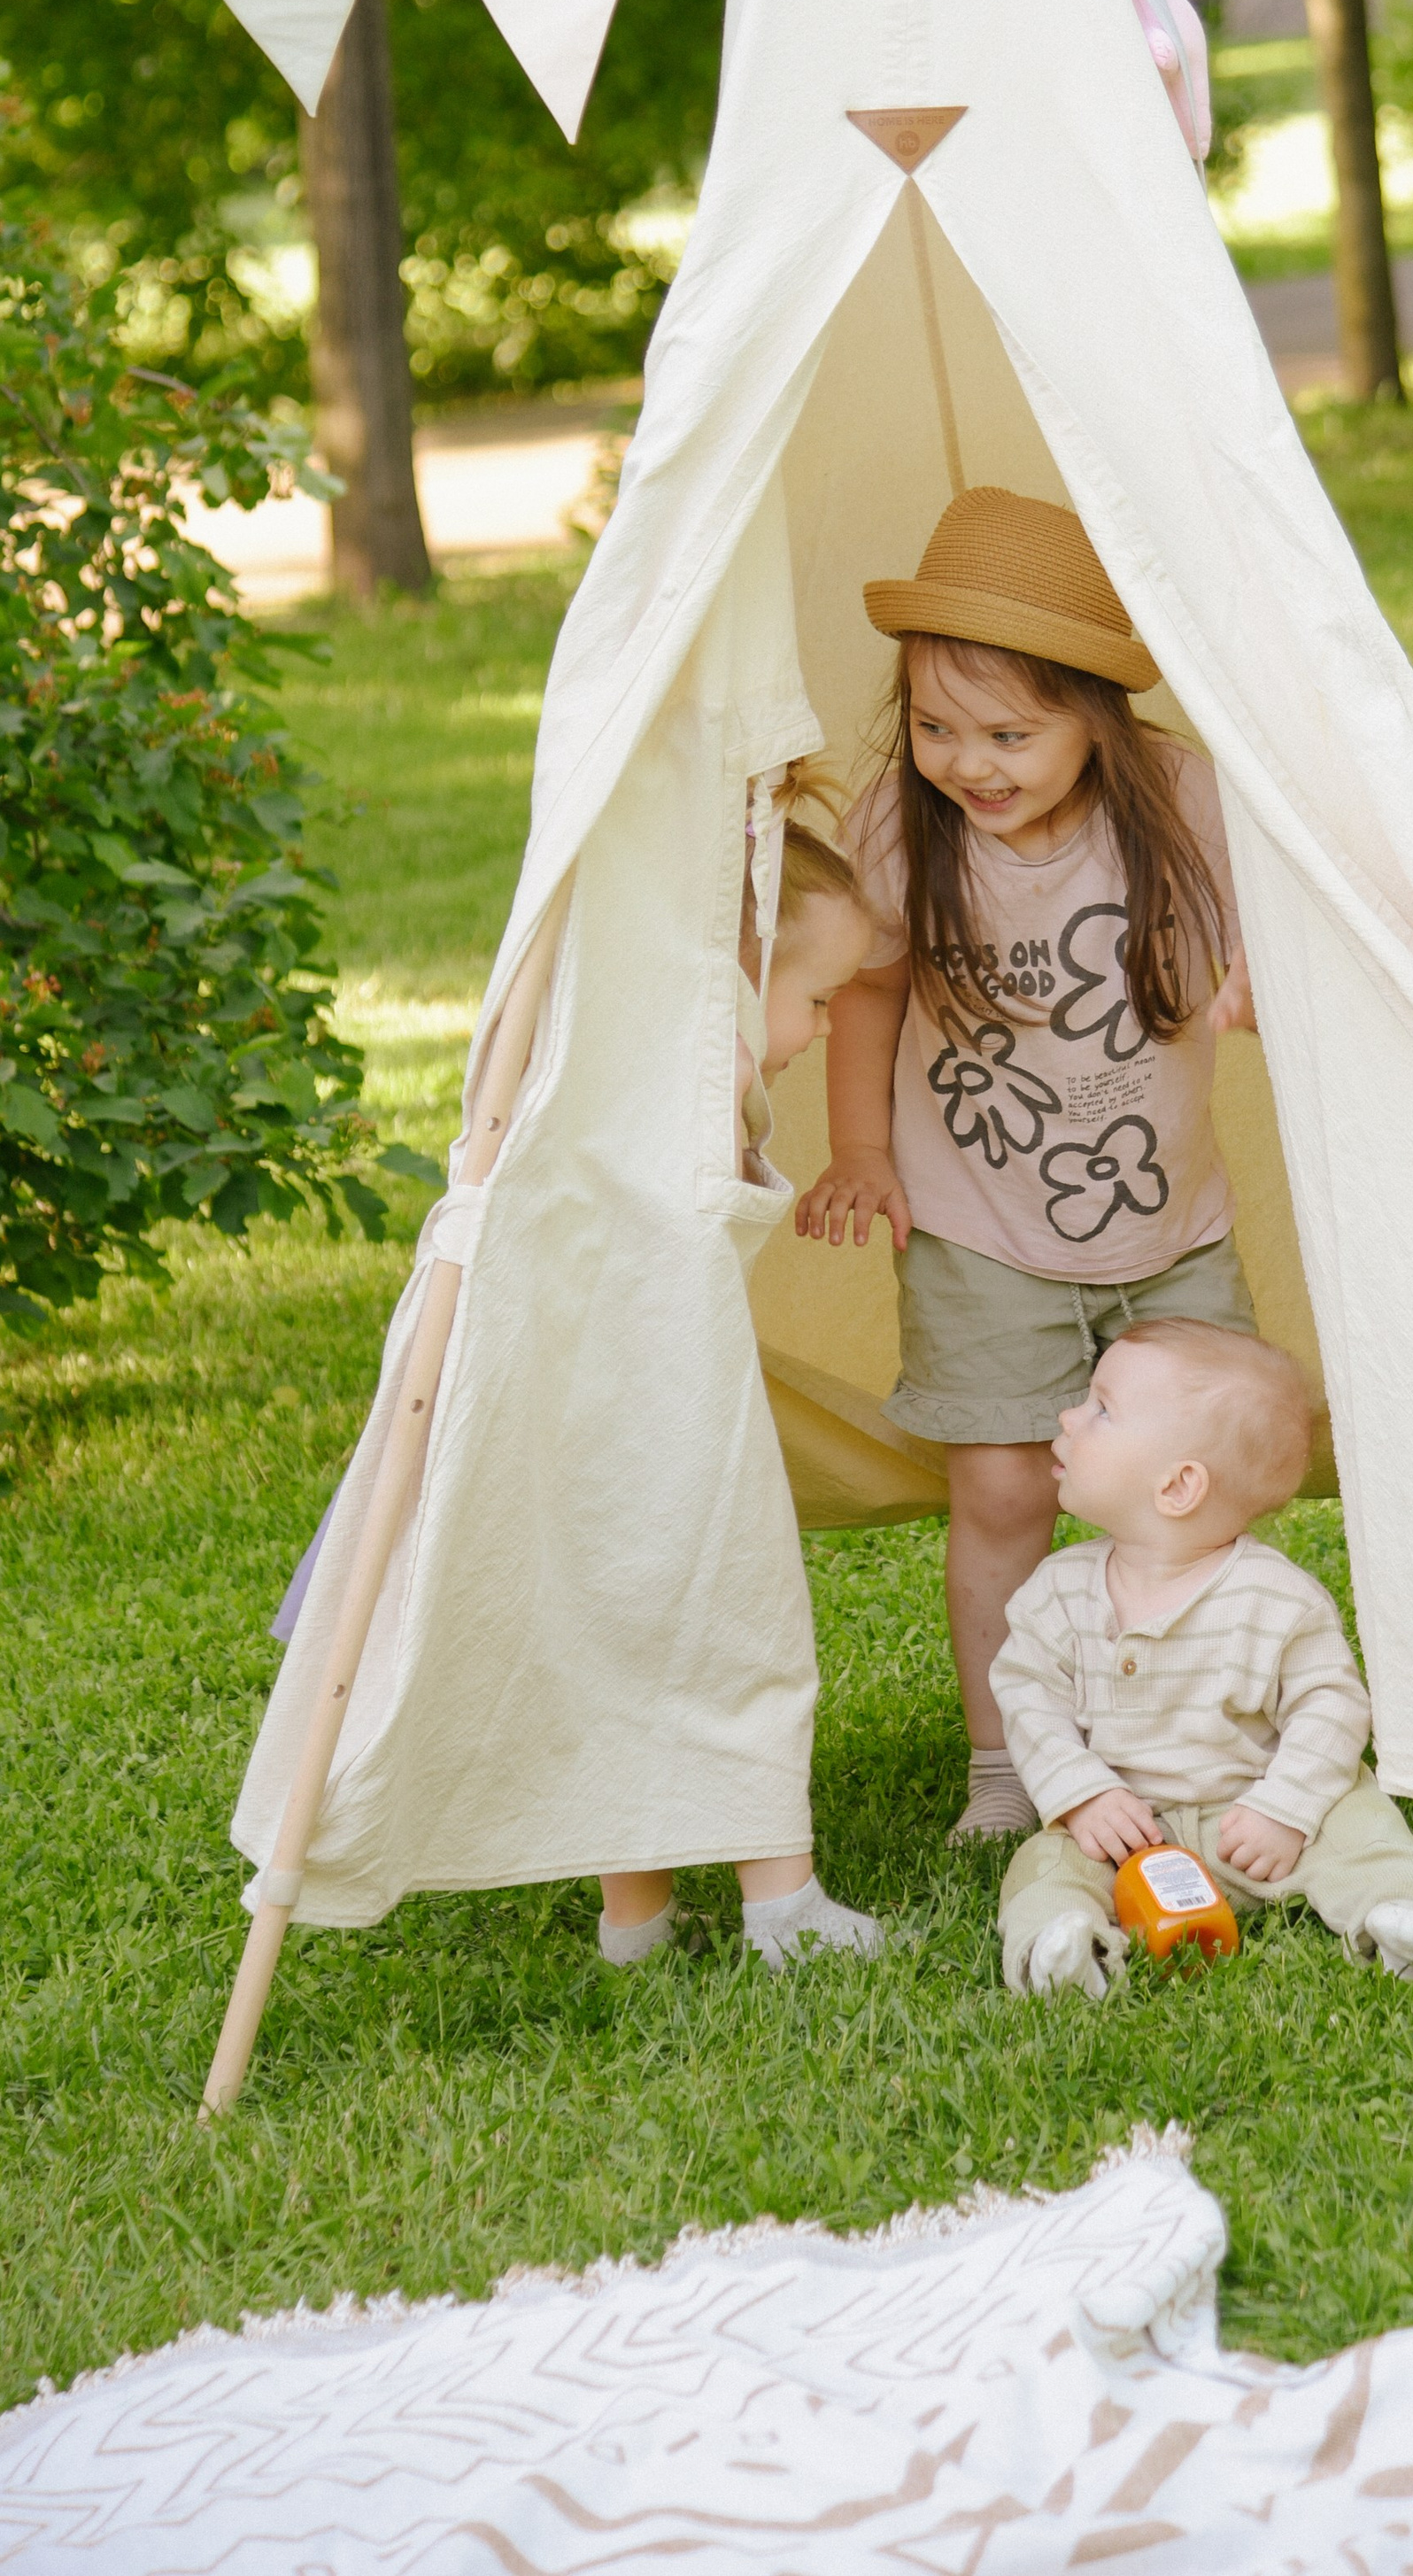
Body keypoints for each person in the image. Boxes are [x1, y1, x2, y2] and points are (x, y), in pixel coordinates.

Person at [796, 484, 1260, 1844]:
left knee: (1195, 1484)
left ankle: (1200, 1731)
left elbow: (1286, 911)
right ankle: (1008, 1760)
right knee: (1001, 1488)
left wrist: (1263, 980)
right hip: (978, 1222)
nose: (970, 761)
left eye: (1011, 731)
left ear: (1095, 715)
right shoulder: (904, 823)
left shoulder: (1177, 796)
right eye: (938, 726)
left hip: (1171, 1224)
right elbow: (867, 991)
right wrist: (865, 1149)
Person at [595, 778, 886, 1974]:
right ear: (742, 965)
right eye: (816, 997)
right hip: (668, 1409)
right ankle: (782, 1901)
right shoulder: (700, 1065)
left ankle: (637, 1919)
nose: (822, 1027)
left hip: (603, 1418)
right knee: (739, 1621)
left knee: (628, 1646)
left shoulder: (623, 1056)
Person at [991, 1319, 1413, 1995]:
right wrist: (1082, 1793)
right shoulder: (1055, 1593)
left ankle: (1400, 1914)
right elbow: (1029, 1698)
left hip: (1257, 1817)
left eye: (1101, 1408)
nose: (1070, 1414)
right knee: (1045, 1865)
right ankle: (1062, 1945)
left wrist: (1286, 1806)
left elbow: (1331, 1707)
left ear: (1178, 1486)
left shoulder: (1278, 1600)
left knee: (1359, 1822)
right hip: (1124, 1832)